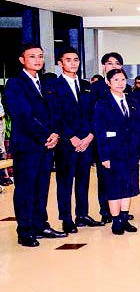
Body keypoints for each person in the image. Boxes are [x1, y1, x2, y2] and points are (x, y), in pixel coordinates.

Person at [5, 43, 65, 247]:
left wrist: (56, 133)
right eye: (32, 56)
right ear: (22, 60)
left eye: (40, 56)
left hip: (47, 145)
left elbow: (56, 111)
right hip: (27, 146)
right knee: (25, 188)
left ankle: (41, 225)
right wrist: (46, 135)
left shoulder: (46, 83)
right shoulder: (15, 84)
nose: (37, 60)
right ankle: (25, 230)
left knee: (42, 187)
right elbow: (23, 116)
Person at [47, 47, 102, 234]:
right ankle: (66, 218)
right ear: (60, 63)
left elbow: (94, 113)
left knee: (84, 179)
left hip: (86, 141)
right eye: (68, 60)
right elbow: (56, 115)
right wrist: (71, 137)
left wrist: (89, 136)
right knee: (65, 182)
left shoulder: (87, 86)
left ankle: (82, 214)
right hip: (66, 142)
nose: (73, 63)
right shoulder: (54, 86)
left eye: (76, 59)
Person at [93, 68, 140, 235]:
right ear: (108, 82)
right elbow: (100, 131)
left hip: (131, 151)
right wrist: (104, 156)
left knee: (129, 185)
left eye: (123, 79)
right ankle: (116, 220)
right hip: (113, 152)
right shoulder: (102, 104)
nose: (120, 83)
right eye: (116, 80)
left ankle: (124, 218)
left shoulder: (132, 101)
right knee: (114, 187)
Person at [90, 52, 129, 223]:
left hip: (124, 144)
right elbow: (94, 117)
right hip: (105, 142)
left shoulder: (126, 88)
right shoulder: (96, 88)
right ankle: (106, 210)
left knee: (124, 177)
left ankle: (122, 211)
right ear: (103, 66)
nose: (113, 66)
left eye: (117, 63)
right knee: (105, 178)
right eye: (109, 63)